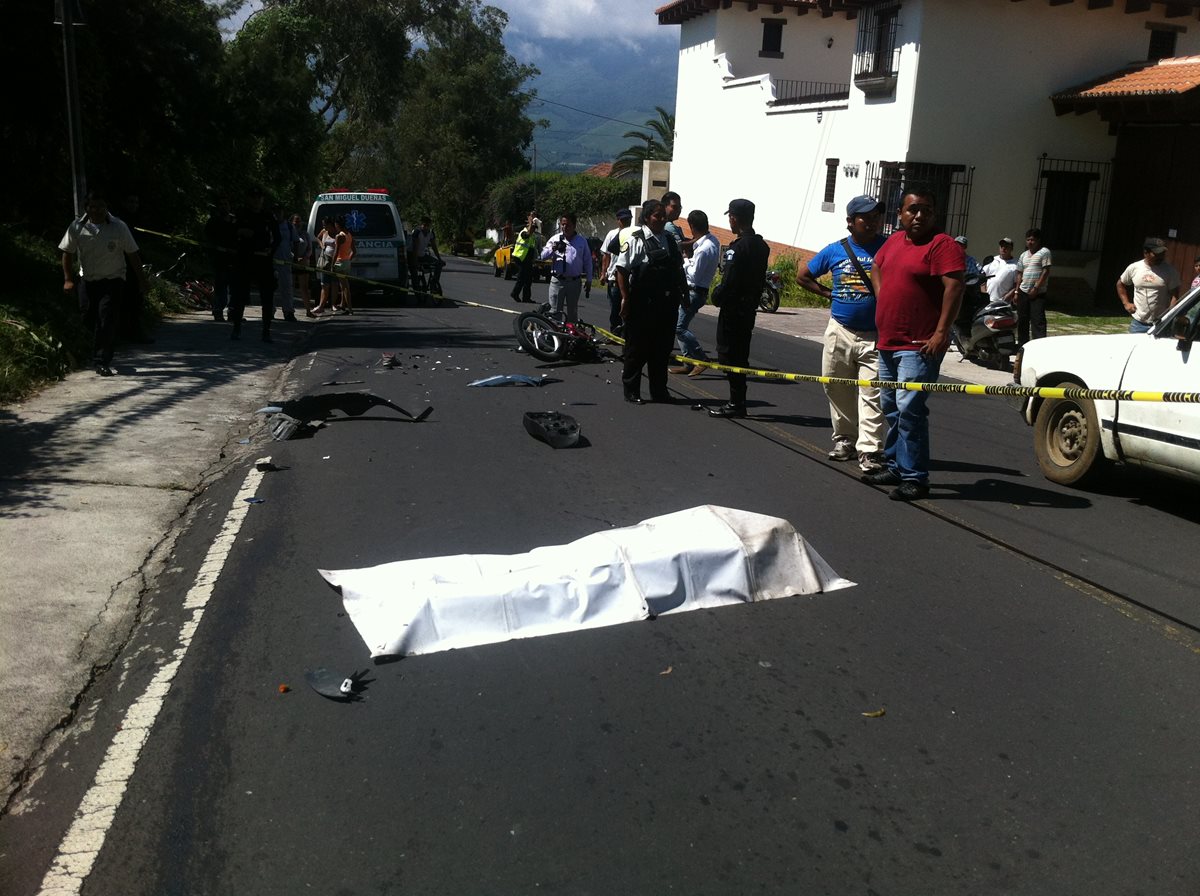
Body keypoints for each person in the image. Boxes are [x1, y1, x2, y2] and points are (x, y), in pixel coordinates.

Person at [863, 184, 965, 501]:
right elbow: (876, 266)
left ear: (935, 214)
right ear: (900, 214)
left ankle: (915, 478)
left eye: (926, 210)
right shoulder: (894, 241)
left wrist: (941, 332)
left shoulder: (942, 245)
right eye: (913, 209)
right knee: (891, 408)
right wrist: (882, 295)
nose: (919, 215)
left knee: (910, 411)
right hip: (888, 342)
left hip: (918, 345)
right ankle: (895, 466)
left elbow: (954, 288)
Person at [797, 194, 887, 472]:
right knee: (836, 386)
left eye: (875, 217)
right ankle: (846, 440)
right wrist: (828, 294)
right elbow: (803, 276)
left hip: (875, 335)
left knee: (872, 392)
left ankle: (870, 450)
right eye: (865, 217)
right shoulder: (835, 250)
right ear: (850, 222)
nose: (872, 222)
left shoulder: (888, 247)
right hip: (840, 331)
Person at [59, 190, 150, 376]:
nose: (97, 210)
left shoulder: (119, 227)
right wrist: (68, 279)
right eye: (93, 206)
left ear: (107, 207)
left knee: (105, 318)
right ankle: (94, 347)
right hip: (88, 279)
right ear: (86, 208)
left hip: (113, 280)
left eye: (101, 206)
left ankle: (102, 360)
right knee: (88, 316)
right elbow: (67, 253)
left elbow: (133, 254)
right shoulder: (76, 227)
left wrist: (142, 280)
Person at [613, 199, 689, 404]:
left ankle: (659, 391)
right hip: (642, 304)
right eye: (657, 216)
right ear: (647, 218)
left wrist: (685, 294)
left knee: (661, 350)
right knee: (636, 349)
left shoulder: (670, 240)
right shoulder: (636, 240)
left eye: (663, 216)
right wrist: (625, 298)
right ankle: (632, 391)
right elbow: (621, 270)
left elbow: (678, 269)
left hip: (666, 304)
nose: (662, 219)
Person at [707, 199, 770, 418]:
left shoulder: (738, 247)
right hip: (749, 308)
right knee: (741, 354)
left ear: (734, 218)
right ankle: (738, 401)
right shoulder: (761, 246)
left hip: (733, 309)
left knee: (728, 354)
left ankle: (736, 402)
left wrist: (717, 295)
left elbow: (730, 280)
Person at [669, 209, 719, 376]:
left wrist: (685, 260)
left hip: (694, 291)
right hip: (697, 290)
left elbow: (694, 275)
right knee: (680, 326)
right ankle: (688, 361)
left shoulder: (704, 248)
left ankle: (701, 358)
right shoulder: (713, 241)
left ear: (691, 226)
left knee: (679, 327)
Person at [230, 189, 279, 342]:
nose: (256, 201)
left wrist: (271, 250)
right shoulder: (241, 214)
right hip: (245, 259)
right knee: (239, 296)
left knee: (267, 297)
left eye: (259, 198)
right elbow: (230, 233)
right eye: (254, 197)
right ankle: (236, 329)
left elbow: (277, 237)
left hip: (263, 260)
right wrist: (240, 231)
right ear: (249, 199)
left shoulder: (268, 216)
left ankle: (266, 331)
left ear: (262, 200)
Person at [1117, 238, 1180, 333]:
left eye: (1162, 253)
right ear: (1145, 253)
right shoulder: (1134, 267)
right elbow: (1121, 284)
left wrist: (1170, 314)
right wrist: (1126, 303)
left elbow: (1175, 294)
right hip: (1138, 324)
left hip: (1161, 323)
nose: (1160, 256)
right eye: (1156, 254)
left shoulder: (1169, 271)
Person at [539, 213, 592, 322]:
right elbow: (542, 256)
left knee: (572, 313)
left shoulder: (581, 241)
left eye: (568, 225)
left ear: (574, 226)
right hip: (558, 281)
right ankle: (554, 332)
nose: (565, 227)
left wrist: (589, 279)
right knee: (555, 313)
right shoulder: (555, 239)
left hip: (574, 282)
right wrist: (552, 249)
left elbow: (588, 261)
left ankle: (570, 332)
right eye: (563, 224)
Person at [116, 193, 154, 343]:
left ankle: (133, 331)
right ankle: (125, 332)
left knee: (135, 300)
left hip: (131, 265)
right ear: (124, 203)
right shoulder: (119, 222)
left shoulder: (134, 220)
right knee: (126, 300)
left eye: (136, 202)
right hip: (121, 266)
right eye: (131, 201)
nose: (134, 205)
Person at [598, 207, 633, 330]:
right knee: (615, 309)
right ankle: (615, 332)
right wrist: (603, 273)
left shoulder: (634, 234)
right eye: (623, 220)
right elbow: (606, 255)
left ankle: (626, 333)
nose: (625, 222)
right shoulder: (612, 234)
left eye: (628, 219)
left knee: (628, 309)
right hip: (614, 277)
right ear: (618, 221)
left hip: (629, 277)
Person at [204, 196, 237, 322]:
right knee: (221, 287)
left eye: (226, 204)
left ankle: (233, 312)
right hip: (219, 260)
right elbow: (207, 239)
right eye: (221, 204)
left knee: (235, 288)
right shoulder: (213, 221)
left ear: (230, 206)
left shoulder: (235, 221)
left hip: (234, 259)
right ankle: (218, 311)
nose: (224, 206)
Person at [1016, 228, 1051, 345]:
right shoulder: (1023, 255)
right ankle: (1022, 345)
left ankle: (1039, 345)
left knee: (1038, 320)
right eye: (1028, 240)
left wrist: (1036, 288)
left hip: (1038, 292)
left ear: (1038, 240)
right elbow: (1019, 273)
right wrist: (1016, 292)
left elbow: (1046, 271)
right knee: (1022, 320)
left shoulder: (1044, 252)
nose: (1030, 242)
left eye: (1033, 240)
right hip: (1023, 291)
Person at [272, 204, 299, 322]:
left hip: (285, 262)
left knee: (287, 288)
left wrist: (296, 258)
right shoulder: (270, 225)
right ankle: (269, 311)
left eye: (279, 211)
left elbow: (296, 241)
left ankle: (288, 312)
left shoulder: (289, 226)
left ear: (283, 212)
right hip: (271, 261)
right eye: (275, 211)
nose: (277, 214)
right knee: (270, 288)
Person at [509, 213, 539, 304]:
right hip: (520, 258)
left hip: (527, 259)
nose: (534, 229)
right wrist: (530, 223)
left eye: (534, 228)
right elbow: (527, 235)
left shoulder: (533, 236)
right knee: (522, 277)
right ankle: (514, 293)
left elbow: (532, 248)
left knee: (528, 278)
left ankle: (526, 297)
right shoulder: (523, 232)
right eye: (533, 228)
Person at [311, 217, 338, 315]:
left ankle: (333, 304)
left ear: (330, 224)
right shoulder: (324, 232)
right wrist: (322, 245)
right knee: (324, 284)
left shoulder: (337, 233)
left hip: (335, 260)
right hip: (325, 260)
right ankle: (321, 305)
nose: (323, 226)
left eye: (325, 224)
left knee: (334, 283)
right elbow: (317, 237)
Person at [981, 237, 1019, 305]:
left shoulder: (1016, 265)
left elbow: (1016, 284)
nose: (1003, 248)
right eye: (1002, 246)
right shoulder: (992, 260)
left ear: (1011, 249)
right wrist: (984, 292)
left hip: (1002, 302)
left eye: (1006, 246)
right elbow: (983, 278)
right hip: (987, 301)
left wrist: (1008, 296)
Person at [410, 216, 444, 289]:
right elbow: (415, 248)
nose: (426, 227)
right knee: (414, 272)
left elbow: (434, 247)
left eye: (428, 225)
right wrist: (415, 261)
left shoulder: (431, 233)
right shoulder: (417, 232)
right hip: (412, 255)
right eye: (424, 225)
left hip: (422, 255)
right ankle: (416, 288)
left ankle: (434, 284)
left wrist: (439, 259)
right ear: (421, 224)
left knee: (439, 264)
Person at [291, 213, 315, 317]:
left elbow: (310, 249)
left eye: (299, 221)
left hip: (304, 263)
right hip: (291, 263)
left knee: (304, 288)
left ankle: (308, 311)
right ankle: (289, 310)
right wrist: (294, 257)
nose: (298, 223)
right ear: (292, 222)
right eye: (296, 221)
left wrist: (304, 257)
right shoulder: (289, 234)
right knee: (290, 287)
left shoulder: (305, 234)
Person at [332, 214, 355, 314]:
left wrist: (332, 265)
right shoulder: (349, 235)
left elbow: (336, 252)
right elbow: (354, 251)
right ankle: (343, 305)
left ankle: (350, 309)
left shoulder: (339, 236)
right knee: (343, 286)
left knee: (345, 287)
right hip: (346, 262)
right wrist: (348, 259)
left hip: (340, 262)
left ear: (337, 224)